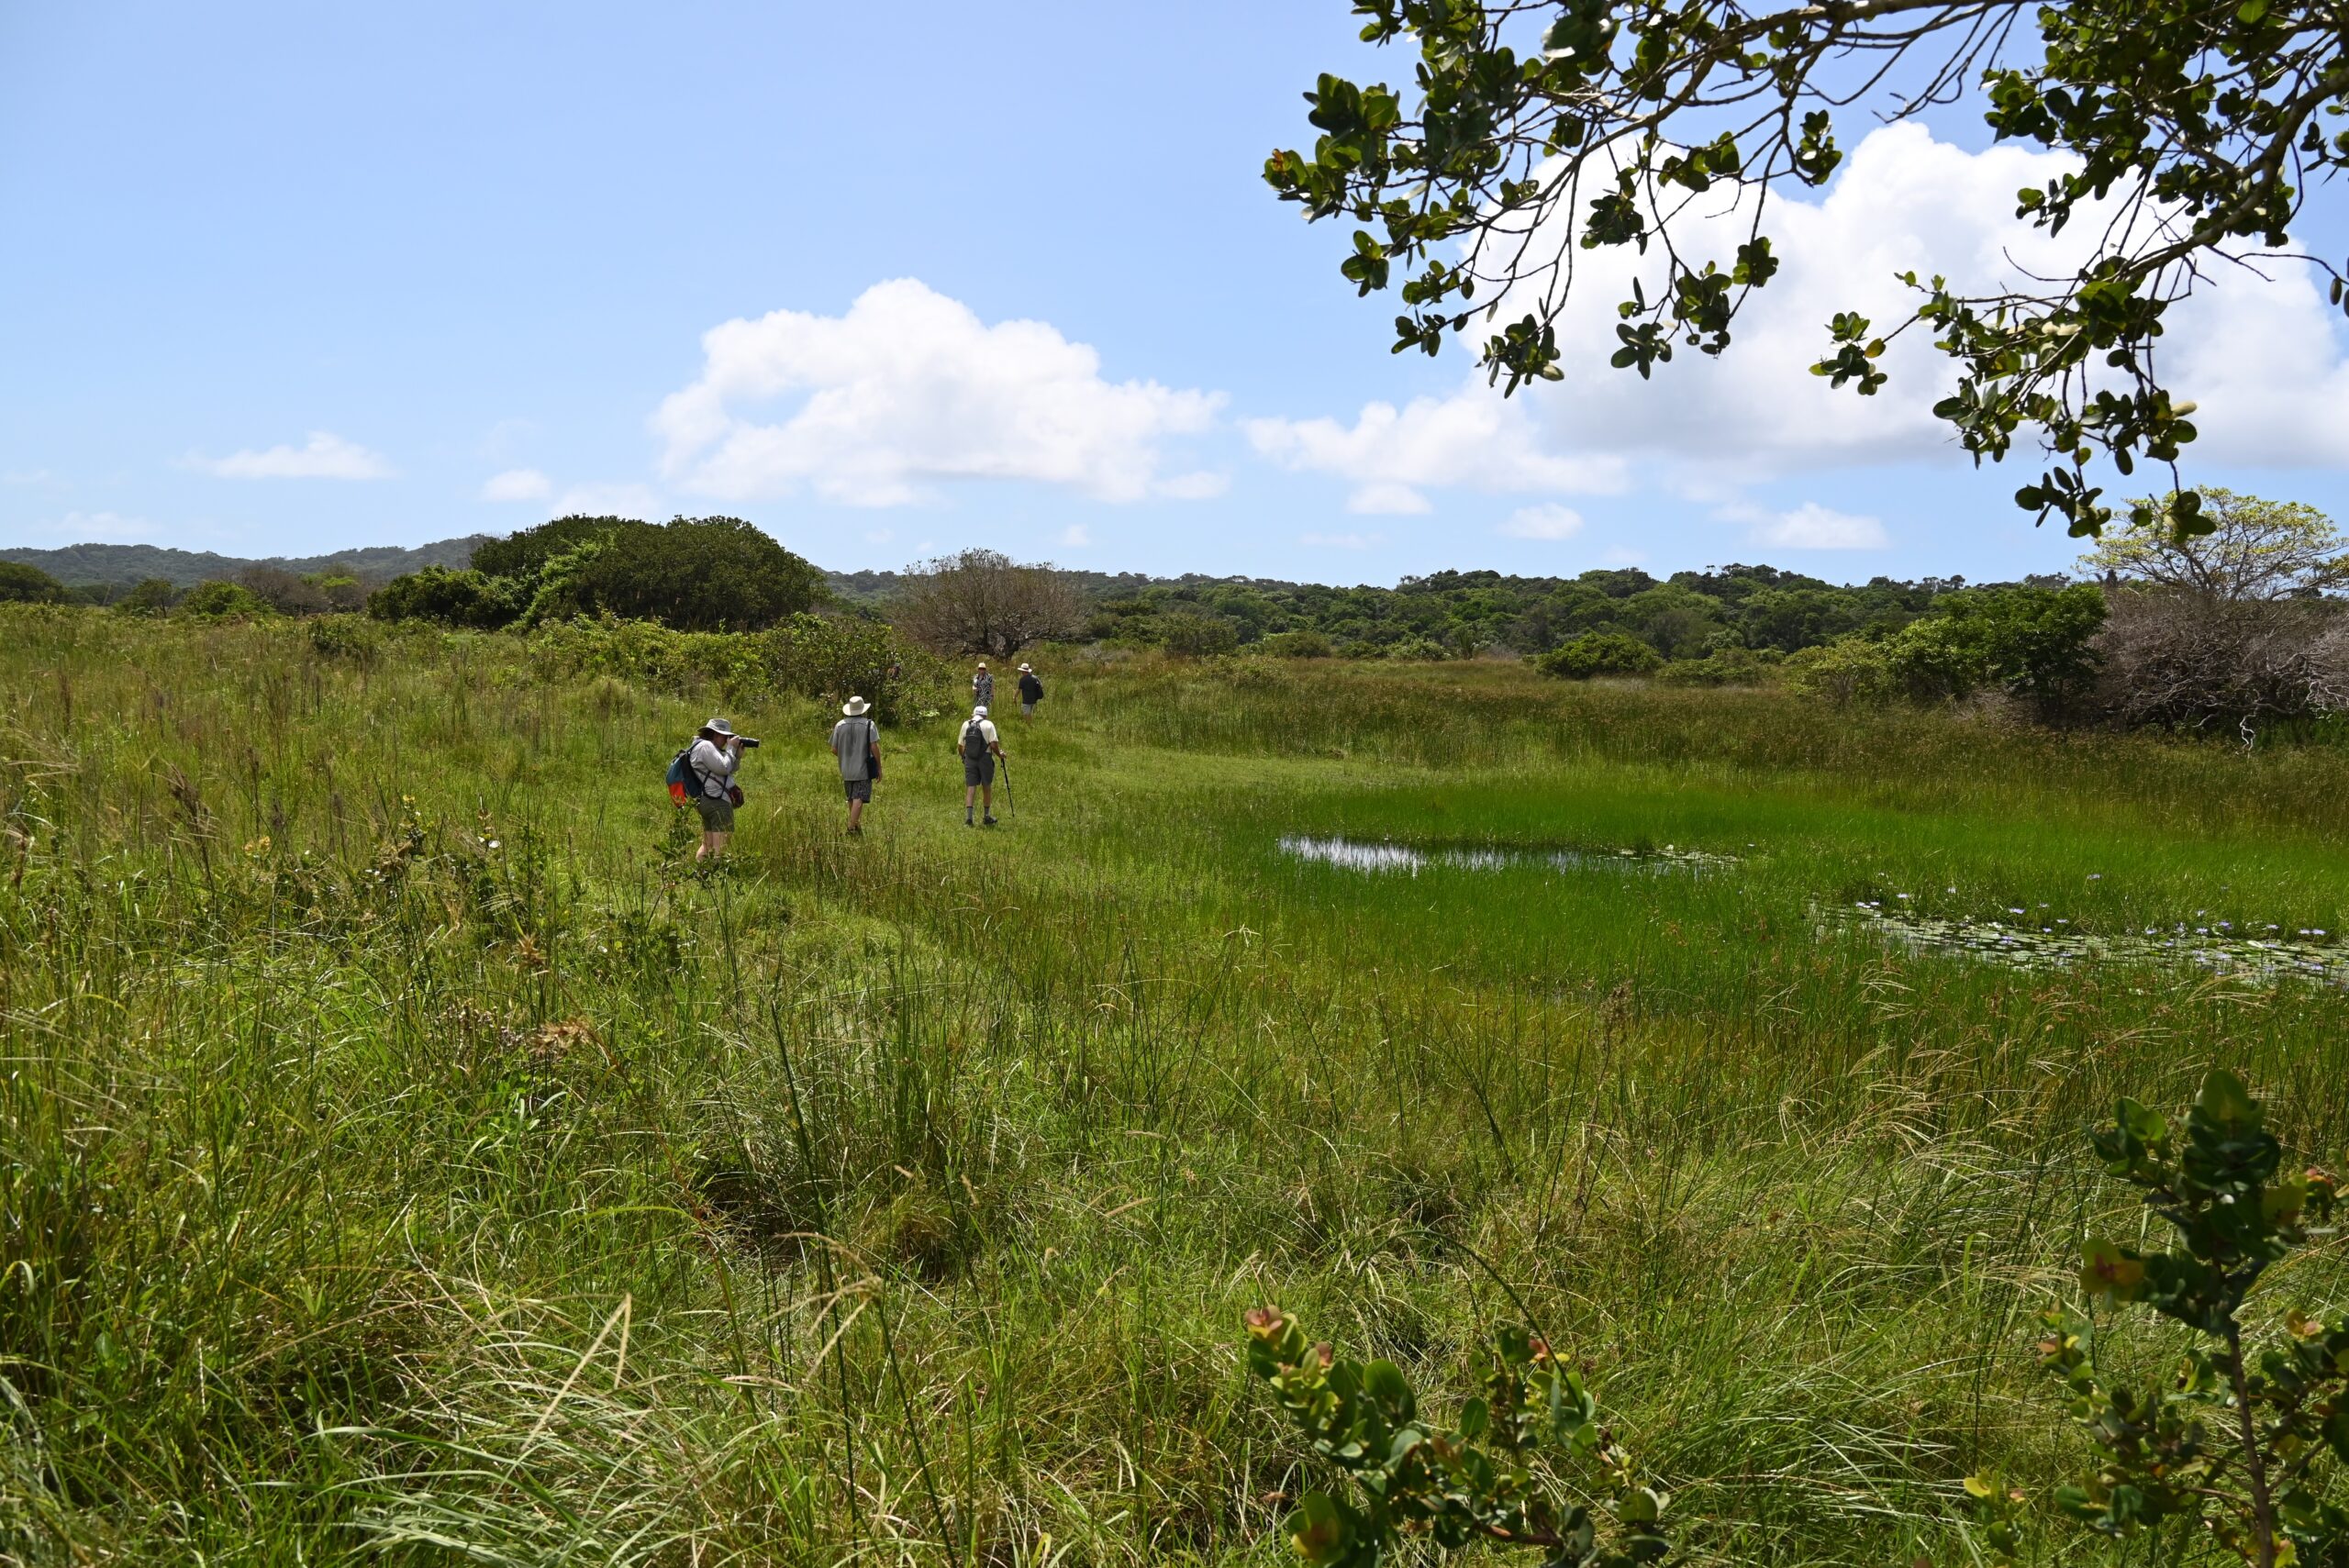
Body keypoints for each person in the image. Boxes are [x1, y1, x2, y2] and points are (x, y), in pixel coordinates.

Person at [687, 717, 746, 862]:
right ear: (714, 734)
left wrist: (736, 757)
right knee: (721, 850)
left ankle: (701, 877)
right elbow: (724, 768)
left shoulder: (704, 747)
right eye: (724, 736)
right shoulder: (706, 746)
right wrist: (731, 748)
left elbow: (728, 769)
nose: (727, 739)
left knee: (707, 846)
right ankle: (717, 880)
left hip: (707, 800)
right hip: (717, 803)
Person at [829, 695, 881, 835]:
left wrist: (846, 757)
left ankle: (856, 826)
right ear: (862, 709)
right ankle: (851, 828)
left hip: (846, 768)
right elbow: (874, 747)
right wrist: (879, 767)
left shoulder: (840, 725)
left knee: (851, 797)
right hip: (863, 768)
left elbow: (834, 749)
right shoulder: (869, 724)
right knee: (860, 797)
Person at [955, 704, 1004, 827]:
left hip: (970, 759)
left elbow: (960, 746)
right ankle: (986, 817)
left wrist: (964, 757)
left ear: (974, 714)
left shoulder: (966, 724)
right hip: (985, 758)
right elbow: (993, 745)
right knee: (986, 786)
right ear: (985, 715)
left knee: (971, 787)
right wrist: (1000, 755)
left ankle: (969, 819)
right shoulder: (989, 724)